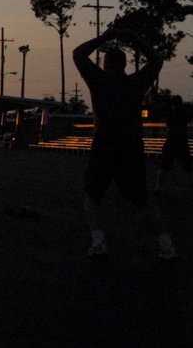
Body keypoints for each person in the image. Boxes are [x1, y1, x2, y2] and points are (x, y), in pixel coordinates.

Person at [73, 28, 178, 259]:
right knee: (142, 198)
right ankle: (167, 245)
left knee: (91, 195)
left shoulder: (98, 79)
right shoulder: (136, 82)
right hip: (131, 143)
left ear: (105, 63)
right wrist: (138, 38)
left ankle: (99, 241)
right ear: (124, 65)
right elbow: (157, 60)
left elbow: (79, 53)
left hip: (105, 141)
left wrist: (103, 37)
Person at [154, 93, 193, 193]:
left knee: (163, 165)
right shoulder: (185, 112)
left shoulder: (170, 112)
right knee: (188, 166)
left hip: (171, 140)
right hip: (181, 140)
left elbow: (158, 110)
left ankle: (158, 186)